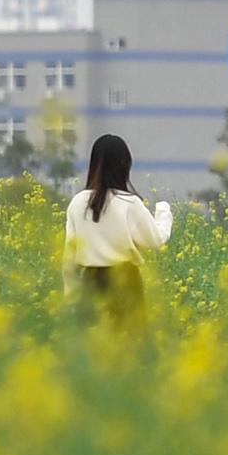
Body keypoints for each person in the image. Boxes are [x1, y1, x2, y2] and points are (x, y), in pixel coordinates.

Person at [63, 132, 172, 325]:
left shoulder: (77, 203)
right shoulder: (129, 203)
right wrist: (163, 212)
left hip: (90, 283)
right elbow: (156, 240)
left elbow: (69, 260)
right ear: (124, 165)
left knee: (93, 351)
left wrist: (72, 298)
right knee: (129, 349)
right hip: (125, 284)